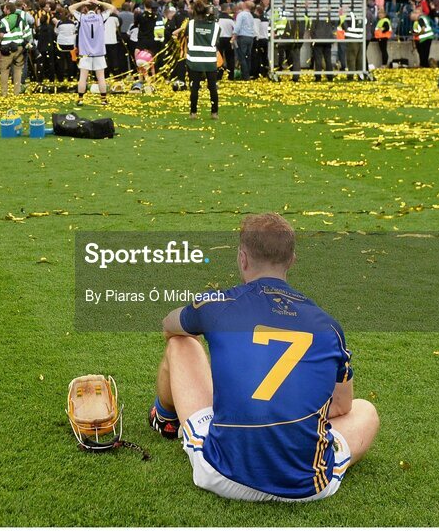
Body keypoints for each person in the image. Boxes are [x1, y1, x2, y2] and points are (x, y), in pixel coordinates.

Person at [149, 213, 379, 501]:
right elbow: (343, 406)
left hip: (223, 473)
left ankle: (165, 417)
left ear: (242, 258)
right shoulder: (328, 325)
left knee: (181, 343)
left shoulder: (215, 303)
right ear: (292, 260)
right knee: (365, 411)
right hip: (307, 487)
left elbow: (170, 325)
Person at [69, 0, 115, 106]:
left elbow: (71, 8)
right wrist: (99, 2)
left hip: (86, 53)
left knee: (83, 77)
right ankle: (103, 100)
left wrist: (83, 2)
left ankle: (80, 99)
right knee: (101, 77)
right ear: (96, 8)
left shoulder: (82, 17)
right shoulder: (100, 17)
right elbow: (112, 7)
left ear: (85, 8)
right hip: (99, 52)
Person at [178, 1, 220, 119]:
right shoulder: (216, 26)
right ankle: (214, 112)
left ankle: (193, 112)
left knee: (194, 87)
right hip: (210, 60)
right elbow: (216, 41)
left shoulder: (190, 24)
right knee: (212, 87)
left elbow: (185, 36)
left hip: (194, 60)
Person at [0, 0, 30, 97]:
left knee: (4, 71)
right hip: (19, 47)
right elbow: (27, 33)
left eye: (4, 9)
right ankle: (16, 92)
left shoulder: (4, 20)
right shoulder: (21, 19)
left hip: (7, 49)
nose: (3, 10)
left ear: (8, 10)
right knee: (18, 70)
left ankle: (4, 93)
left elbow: (1, 35)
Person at [233, 0, 256, 80]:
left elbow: (238, 26)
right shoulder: (251, 15)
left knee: (241, 56)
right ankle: (247, 74)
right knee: (248, 57)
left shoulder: (241, 14)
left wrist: (234, 35)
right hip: (250, 37)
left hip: (242, 36)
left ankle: (245, 76)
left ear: (244, 6)